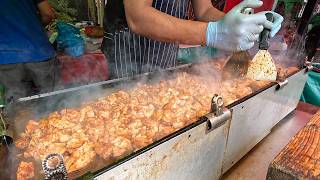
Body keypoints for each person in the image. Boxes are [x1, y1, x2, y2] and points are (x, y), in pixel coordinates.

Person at [102, 0, 283, 79]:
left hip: (165, 51)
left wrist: (244, 25)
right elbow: (138, 16)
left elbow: (204, 11)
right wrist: (213, 33)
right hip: (129, 49)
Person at [0, 0, 57, 104]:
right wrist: (33, 26)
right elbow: (48, 14)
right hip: (38, 51)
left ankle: (21, 119)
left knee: (18, 105)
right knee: (51, 101)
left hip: (6, 55)